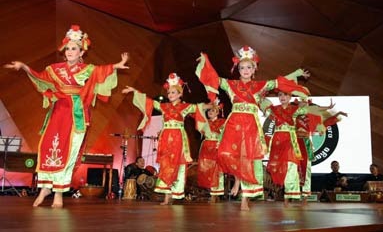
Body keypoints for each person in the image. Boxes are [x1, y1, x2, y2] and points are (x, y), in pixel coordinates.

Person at [3, 25, 129, 208]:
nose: (70, 51)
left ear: (81, 53)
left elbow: (101, 72)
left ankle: (59, 193)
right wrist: (23, 66)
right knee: (48, 147)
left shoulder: (87, 69)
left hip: (77, 113)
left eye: (74, 48)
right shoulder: (54, 69)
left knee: (69, 152)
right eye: (68, 48)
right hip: (59, 111)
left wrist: (117, 65)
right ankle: (45, 188)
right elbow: (40, 78)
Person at [195, 46, 310, 210]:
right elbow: (214, 78)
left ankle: (245, 198)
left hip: (250, 126)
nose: (245, 70)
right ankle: (237, 180)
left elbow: (280, 81)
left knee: (249, 159)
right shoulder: (231, 84)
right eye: (242, 67)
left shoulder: (261, 86)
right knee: (225, 153)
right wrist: (205, 61)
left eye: (249, 67)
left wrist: (297, 73)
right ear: (237, 69)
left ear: (254, 68)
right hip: (234, 124)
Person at [122, 73, 210, 205]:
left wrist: (209, 105)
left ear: (180, 94)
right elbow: (150, 102)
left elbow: (198, 107)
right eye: (169, 92)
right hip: (166, 137)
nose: (170, 94)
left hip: (178, 138)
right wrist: (135, 91)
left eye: (173, 92)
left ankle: (175, 193)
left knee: (178, 165)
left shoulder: (185, 107)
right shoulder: (164, 107)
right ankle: (166, 196)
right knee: (165, 165)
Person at [196, 98, 226, 203]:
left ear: (218, 111)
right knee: (207, 169)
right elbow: (196, 113)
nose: (210, 112)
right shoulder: (205, 122)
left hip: (216, 146)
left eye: (213, 110)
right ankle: (211, 191)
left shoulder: (222, 122)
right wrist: (205, 106)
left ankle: (216, 193)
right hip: (206, 146)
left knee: (217, 170)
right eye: (209, 110)